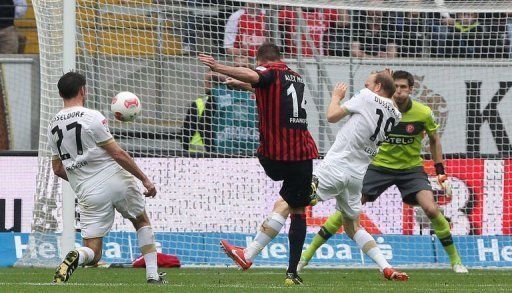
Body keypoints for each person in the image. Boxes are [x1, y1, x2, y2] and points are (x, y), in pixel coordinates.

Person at [299, 70, 469, 274]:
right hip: (378, 166)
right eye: (395, 86)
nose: (399, 91)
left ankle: (456, 261)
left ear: (411, 90)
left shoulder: (423, 113)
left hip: (410, 169)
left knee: (431, 209)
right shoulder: (379, 106)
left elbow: (434, 140)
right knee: (347, 210)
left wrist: (440, 171)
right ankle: (305, 256)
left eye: (403, 87)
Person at [198, 43, 318, 285]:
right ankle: (292, 273)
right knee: (296, 209)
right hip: (304, 153)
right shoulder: (296, 77)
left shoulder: (268, 72)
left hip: (276, 156)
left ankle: (257, 255)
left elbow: (257, 76)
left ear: (261, 61)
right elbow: (268, 88)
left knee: (270, 167)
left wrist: (219, 67)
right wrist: (245, 85)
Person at [48, 72, 166, 284]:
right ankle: (152, 275)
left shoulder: (53, 126)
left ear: (59, 93)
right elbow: (118, 154)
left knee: (93, 252)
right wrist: (145, 180)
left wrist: (81, 178)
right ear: (83, 90)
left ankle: (77, 255)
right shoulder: (91, 116)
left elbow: (57, 168)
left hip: (88, 190)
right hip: (115, 179)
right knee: (140, 220)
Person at [302, 71, 407, 280]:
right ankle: (385, 266)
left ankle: (250, 254)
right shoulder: (396, 114)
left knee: (290, 200)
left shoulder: (366, 96)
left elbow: (332, 116)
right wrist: (384, 79)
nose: (364, 85)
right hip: (357, 176)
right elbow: (386, 97)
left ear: (377, 87)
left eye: (368, 83)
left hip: (337, 166)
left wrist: (336, 97)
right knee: (353, 227)